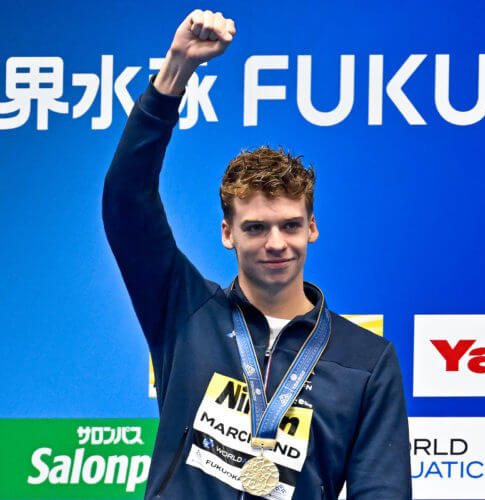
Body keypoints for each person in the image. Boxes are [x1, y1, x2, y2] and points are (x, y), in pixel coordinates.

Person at [102, 9, 411, 500]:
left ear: (312, 228)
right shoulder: (184, 311)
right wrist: (176, 71)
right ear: (228, 233)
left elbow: (383, 490)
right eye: (255, 227)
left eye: (290, 225)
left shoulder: (368, 359)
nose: (275, 242)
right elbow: (126, 202)